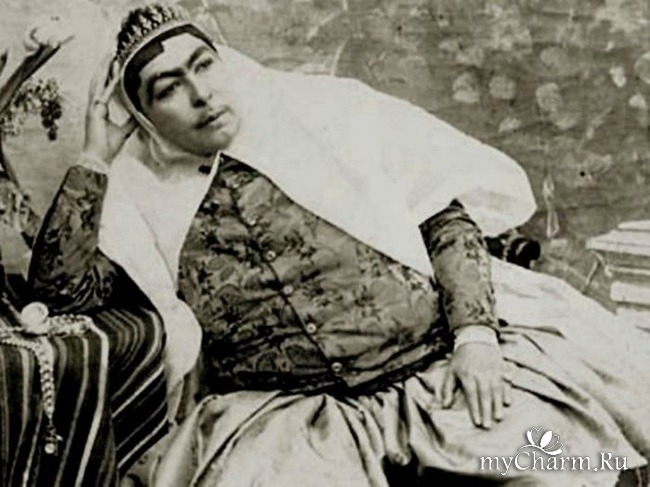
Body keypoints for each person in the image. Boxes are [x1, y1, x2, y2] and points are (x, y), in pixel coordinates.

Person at [27, 4, 650, 486]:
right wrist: (95, 154)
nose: (201, 94)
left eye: (204, 65)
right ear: (141, 116)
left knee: (552, 466)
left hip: (439, 372)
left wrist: (476, 340)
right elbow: (62, 292)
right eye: (167, 88)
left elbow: (445, 219)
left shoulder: (331, 114)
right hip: (290, 422)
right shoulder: (139, 199)